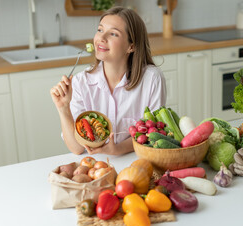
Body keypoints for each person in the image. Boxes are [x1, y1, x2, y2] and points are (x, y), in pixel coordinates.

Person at [50, 6, 166, 156]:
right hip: (96, 165)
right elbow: (77, 148)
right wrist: (63, 108)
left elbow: (154, 134)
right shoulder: (80, 82)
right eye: (100, 30)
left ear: (131, 46)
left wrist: (118, 149)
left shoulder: (152, 79)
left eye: (113, 34)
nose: (101, 38)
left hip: (138, 161)